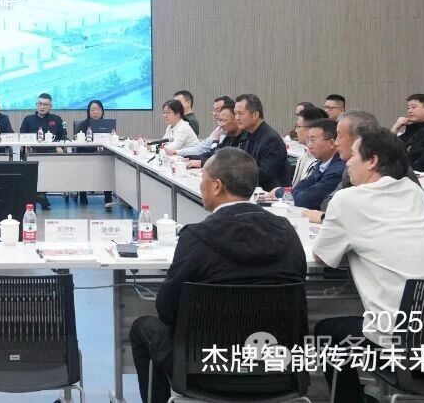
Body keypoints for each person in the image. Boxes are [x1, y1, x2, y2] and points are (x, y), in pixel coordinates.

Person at [129, 148, 306, 403]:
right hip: (278, 370)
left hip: (202, 371)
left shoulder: (196, 237)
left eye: (203, 178)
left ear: (216, 186)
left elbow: (167, 310)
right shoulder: (288, 233)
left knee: (142, 328)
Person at [312, 127, 424, 403]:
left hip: (399, 345)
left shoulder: (348, 199)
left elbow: (322, 257)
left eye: (353, 155)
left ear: (372, 161)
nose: (347, 162)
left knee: (327, 332)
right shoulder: (413, 191)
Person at [277, 118, 345, 209]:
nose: (309, 146)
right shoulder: (321, 163)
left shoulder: (338, 170)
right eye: (308, 140)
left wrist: (279, 191)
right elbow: (300, 187)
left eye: (313, 140)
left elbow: (304, 200)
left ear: (332, 143)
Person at [231, 93, 289, 190]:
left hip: (271, 194)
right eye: (235, 113)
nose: (236, 118)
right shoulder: (249, 134)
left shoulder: (271, 139)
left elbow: (263, 175)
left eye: (240, 113)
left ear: (255, 115)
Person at [175, 95, 233, 160]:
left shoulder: (189, 121)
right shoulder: (219, 129)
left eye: (218, 110)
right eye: (214, 110)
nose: (214, 114)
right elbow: (203, 149)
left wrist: (215, 141)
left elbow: (218, 157)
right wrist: (181, 154)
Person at [190, 99, 244, 166]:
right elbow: (212, 154)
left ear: (236, 119)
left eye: (224, 121)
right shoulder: (229, 137)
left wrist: (215, 141)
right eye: (220, 121)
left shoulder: (245, 139)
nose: (221, 125)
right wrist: (189, 158)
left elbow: (221, 159)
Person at [392, 93, 424, 163]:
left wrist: (411, 149)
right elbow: (389, 147)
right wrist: (395, 127)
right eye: (408, 108)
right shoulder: (411, 128)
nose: (409, 111)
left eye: (413, 107)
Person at [288, 105, 327, 184]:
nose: (296, 130)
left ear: (311, 129)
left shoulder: (322, 162)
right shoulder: (305, 157)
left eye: (298, 126)